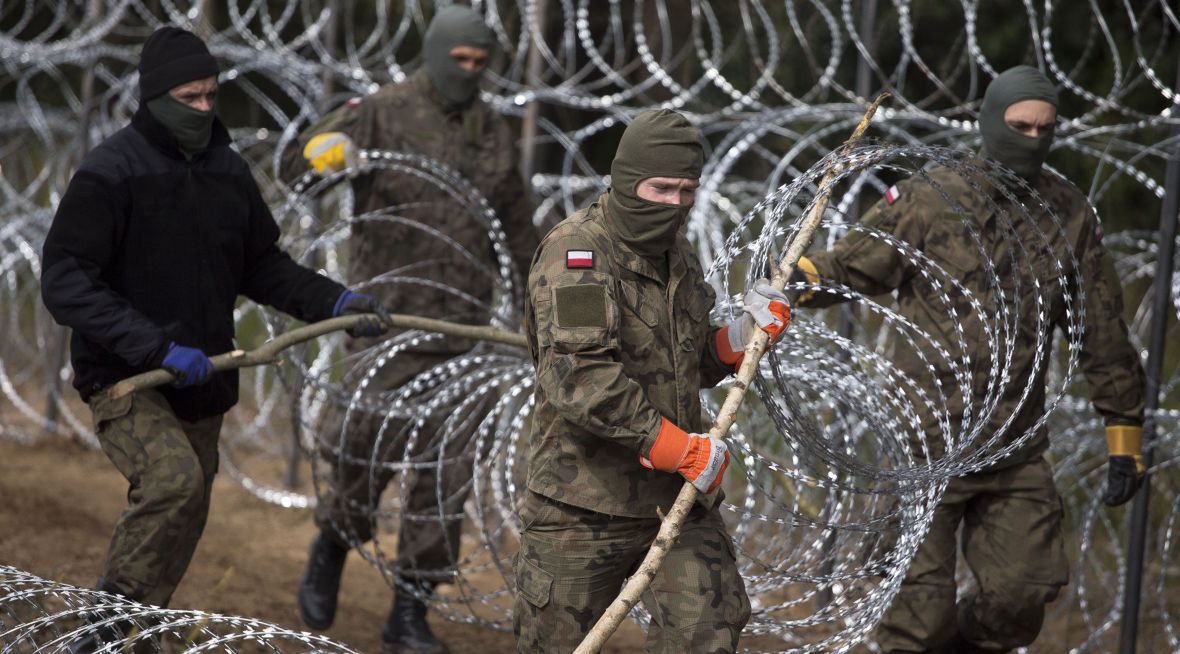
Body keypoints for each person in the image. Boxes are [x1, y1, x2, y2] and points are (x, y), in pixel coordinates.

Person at [39, 26, 389, 652]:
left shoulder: (228, 171)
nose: (203, 109)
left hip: (204, 384)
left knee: (185, 515)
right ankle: (103, 630)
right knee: (173, 484)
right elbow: (66, 282)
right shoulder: (111, 173)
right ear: (154, 99)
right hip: (128, 378)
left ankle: (136, 634)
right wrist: (153, 347)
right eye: (189, 98)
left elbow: (262, 265)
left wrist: (335, 301)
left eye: (211, 96)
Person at [791, 66, 1146, 653]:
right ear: (990, 122)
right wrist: (795, 280)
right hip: (926, 445)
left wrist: (1124, 431)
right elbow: (856, 264)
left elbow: (1100, 329)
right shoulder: (933, 197)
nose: (1031, 139)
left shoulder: (1067, 214)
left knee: (1021, 595)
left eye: (1044, 129)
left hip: (1014, 446)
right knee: (916, 619)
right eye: (1019, 126)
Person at [289, 6, 540, 653]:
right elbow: (302, 166)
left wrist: (537, 309)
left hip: (464, 334)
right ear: (436, 53)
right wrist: (322, 155)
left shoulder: (496, 131)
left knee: (445, 476)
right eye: (461, 61)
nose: (471, 72)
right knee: (359, 453)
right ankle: (333, 544)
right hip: (386, 323)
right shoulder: (380, 111)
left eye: (481, 64)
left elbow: (516, 229)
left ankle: (410, 613)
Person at [514, 108, 791, 653]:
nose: (675, 204)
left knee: (707, 635)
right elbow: (580, 375)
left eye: (687, 190)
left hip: (676, 498)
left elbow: (686, 360)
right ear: (624, 180)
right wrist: (670, 444)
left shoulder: (676, 253)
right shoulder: (577, 254)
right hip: (581, 504)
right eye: (661, 188)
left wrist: (738, 340)